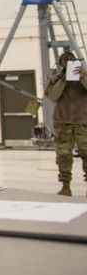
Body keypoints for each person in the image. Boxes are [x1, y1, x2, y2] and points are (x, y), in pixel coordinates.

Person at [45, 50, 87, 196]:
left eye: (71, 60)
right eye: (66, 61)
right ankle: (65, 186)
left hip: (83, 122)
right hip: (62, 122)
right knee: (63, 156)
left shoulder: (84, 77)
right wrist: (63, 81)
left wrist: (82, 77)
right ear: (61, 64)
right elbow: (52, 96)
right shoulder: (55, 80)